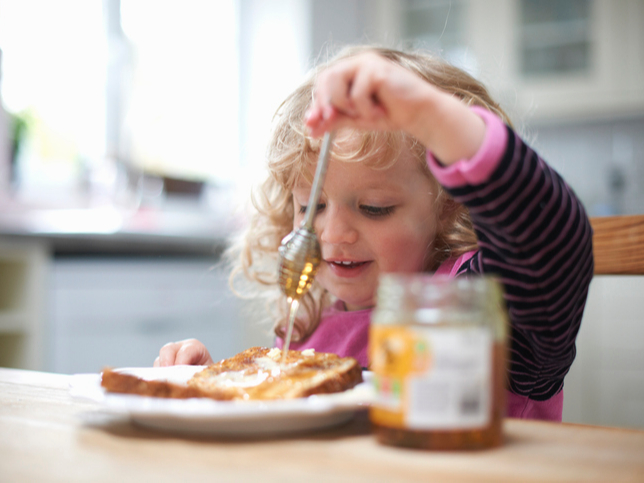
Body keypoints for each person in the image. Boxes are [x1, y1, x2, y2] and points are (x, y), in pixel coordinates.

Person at [154, 45, 594, 421]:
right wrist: (214, 389)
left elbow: (553, 245)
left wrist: (437, 119)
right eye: (312, 207)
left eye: (374, 208)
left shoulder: (472, 305)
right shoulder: (309, 329)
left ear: (448, 205)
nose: (333, 233)